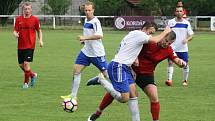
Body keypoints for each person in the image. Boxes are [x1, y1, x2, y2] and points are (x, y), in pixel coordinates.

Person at [87, 31, 186, 121]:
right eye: (166, 40)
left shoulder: (168, 50)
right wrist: (134, 61)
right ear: (163, 36)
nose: (166, 44)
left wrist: (181, 63)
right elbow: (132, 49)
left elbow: (176, 59)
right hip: (131, 71)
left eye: (169, 43)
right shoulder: (149, 41)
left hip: (146, 75)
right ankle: (98, 112)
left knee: (154, 97)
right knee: (119, 93)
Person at [60, 1, 108, 102]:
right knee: (76, 71)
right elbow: (88, 34)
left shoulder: (96, 22)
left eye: (89, 10)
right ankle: (73, 96)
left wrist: (85, 37)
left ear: (93, 10)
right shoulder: (86, 19)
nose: (87, 12)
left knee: (107, 74)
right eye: (86, 10)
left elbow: (100, 35)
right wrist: (84, 41)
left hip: (97, 53)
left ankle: (120, 91)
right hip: (86, 52)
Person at [13, 2, 43, 88]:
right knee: (21, 65)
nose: (27, 10)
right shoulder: (18, 19)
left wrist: (40, 40)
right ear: (23, 10)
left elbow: (39, 31)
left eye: (29, 9)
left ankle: (25, 83)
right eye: (25, 9)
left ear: (31, 10)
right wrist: (15, 34)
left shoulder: (35, 20)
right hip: (20, 46)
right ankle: (32, 75)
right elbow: (15, 30)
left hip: (30, 45)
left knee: (26, 64)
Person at [165, 6, 194, 86]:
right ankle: (169, 80)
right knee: (170, 62)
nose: (179, 12)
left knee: (184, 65)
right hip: (172, 47)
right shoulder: (170, 22)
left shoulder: (186, 23)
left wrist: (187, 40)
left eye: (180, 11)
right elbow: (166, 33)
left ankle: (185, 80)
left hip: (183, 48)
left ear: (183, 12)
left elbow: (191, 35)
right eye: (177, 11)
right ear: (175, 12)